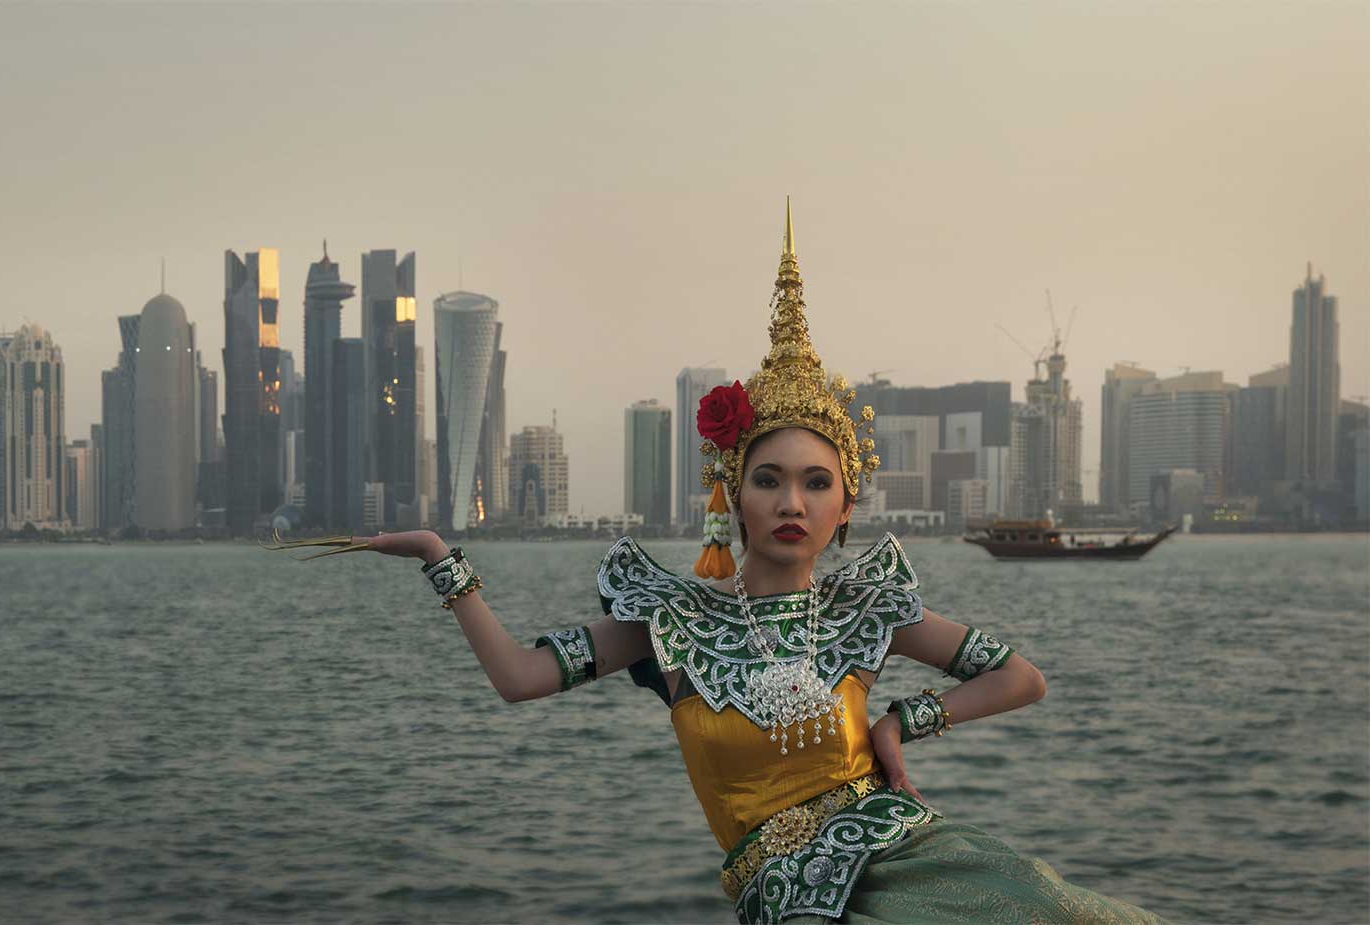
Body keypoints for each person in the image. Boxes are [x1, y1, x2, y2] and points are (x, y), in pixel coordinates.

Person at [270, 203, 1166, 924]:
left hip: (910, 856)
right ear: (732, 493)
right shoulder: (672, 622)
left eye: (817, 484)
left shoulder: (864, 607)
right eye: (769, 479)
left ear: (845, 506)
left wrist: (902, 721)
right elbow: (518, 677)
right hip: (784, 895)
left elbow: (1020, 677)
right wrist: (443, 561)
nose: (792, 502)